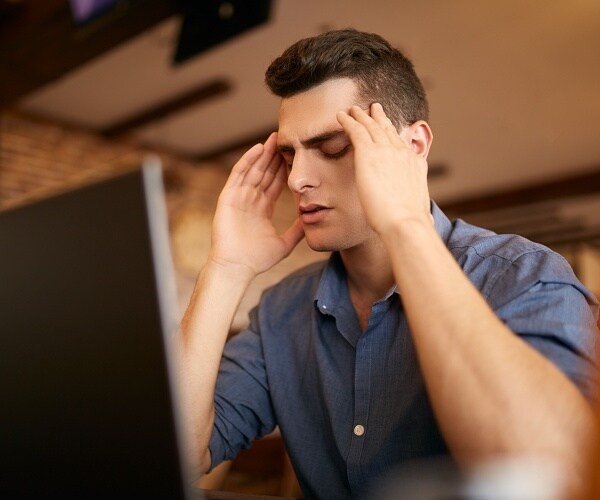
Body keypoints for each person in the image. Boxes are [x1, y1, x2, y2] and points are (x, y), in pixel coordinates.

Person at [178, 29, 599, 499]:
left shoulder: (524, 275)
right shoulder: (282, 311)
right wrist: (225, 267)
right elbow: (180, 453)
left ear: (414, 147)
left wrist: (403, 223)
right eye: (289, 155)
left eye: (333, 147)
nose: (297, 179)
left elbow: (553, 474)